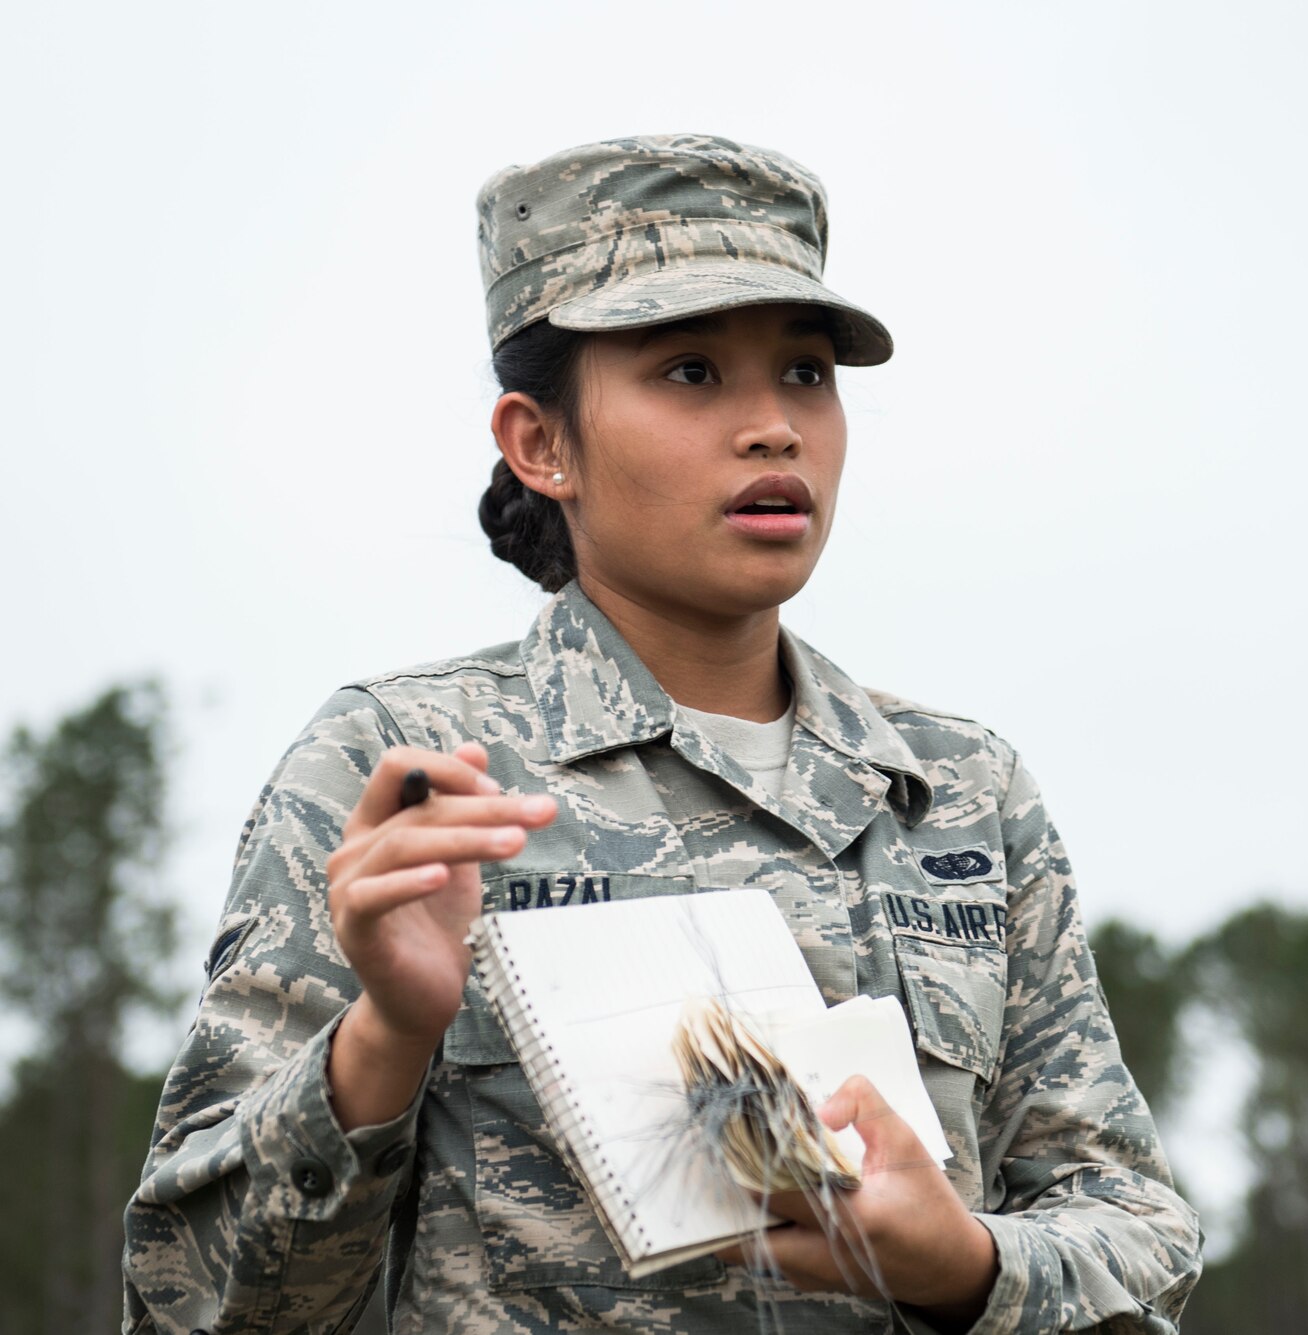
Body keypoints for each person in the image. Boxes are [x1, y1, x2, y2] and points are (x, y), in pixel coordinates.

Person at [120, 134, 1202, 1334]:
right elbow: (192, 1305)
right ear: (540, 443)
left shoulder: (956, 790)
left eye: (803, 373)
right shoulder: (410, 771)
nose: (772, 429)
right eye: (689, 372)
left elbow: (1135, 1237)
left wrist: (968, 1266)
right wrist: (383, 1040)